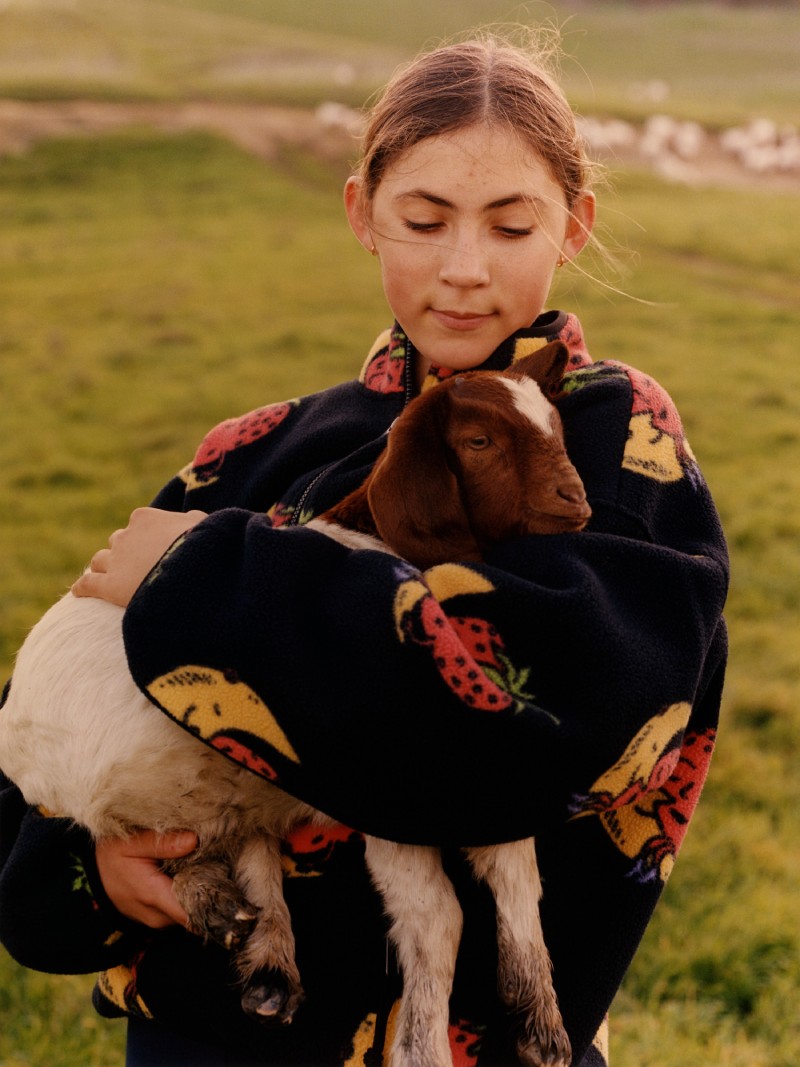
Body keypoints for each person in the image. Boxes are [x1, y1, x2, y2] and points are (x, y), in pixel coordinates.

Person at [0, 31, 728, 1067]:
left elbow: (549, 718)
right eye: (422, 220)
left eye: (508, 223)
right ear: (360, 214)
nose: (462, 268)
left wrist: (208, 573)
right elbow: (51, 709)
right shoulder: (252, 454)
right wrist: (92, 862)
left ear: (572, 226)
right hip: (212, 1039)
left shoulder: (614, 443)